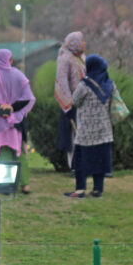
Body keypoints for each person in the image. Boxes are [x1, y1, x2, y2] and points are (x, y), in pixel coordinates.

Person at [0, 49, 36, 194]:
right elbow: (27, 97)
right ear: (8, 60)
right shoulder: (17, 74)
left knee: (2, 150)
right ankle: (25, 185)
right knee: (18, 152)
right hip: (16, 121)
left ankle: (5, 185)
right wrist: (12, 108)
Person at [65, 55, 116, 198]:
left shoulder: (84, 85)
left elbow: (74, 102)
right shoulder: (109, 84)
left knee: (81, 162)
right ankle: (97, 190)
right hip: (104, 132)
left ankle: (80, 190)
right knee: (100, 161)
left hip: (86, 133)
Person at [54, 31, 87, 168]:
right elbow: (62, 83)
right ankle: (74, 165)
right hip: (72, 104)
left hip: (84, 103)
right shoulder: (65, 58)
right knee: (73, 136)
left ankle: (84, 164)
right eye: (82, 40)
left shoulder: (81, 57)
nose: (84, 43)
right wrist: (69, 104)